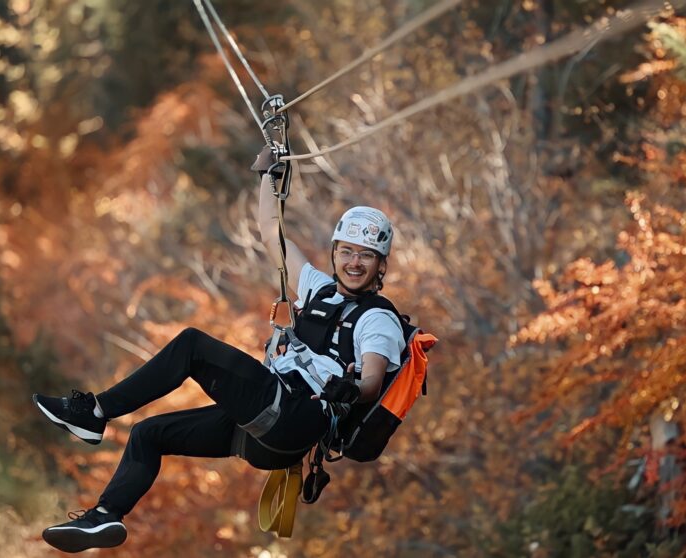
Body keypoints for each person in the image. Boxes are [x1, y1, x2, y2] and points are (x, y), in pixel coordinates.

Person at [32, 147, 406, 553]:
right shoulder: (318, 288)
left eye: (365, 256)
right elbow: (269, 231)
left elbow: (372, 376)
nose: (354, 263)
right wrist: (268, 173)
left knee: (192, 344)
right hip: (264, 429)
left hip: (296, 414)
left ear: (380, 265)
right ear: (334, 252)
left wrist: (351, 390)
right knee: (147, 433)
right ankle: (104, 517)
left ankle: (95, 412)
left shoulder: (378, 319)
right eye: (347, 251)